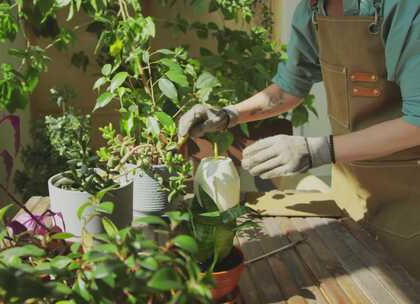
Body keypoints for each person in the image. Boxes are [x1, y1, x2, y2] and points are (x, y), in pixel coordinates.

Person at [178, 0, 420, 278]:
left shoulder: (403, 8)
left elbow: (417, 122)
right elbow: (287, 90)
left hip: (410, 198)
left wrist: (316, 149)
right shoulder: (313, 10)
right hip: (353, 188)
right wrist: (228, 115)